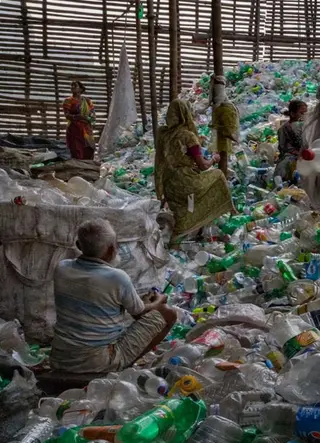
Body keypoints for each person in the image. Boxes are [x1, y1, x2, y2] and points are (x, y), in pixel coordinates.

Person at [51, 219, 177, 373]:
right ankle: (120, 365)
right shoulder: (117, 277)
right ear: (111, 250)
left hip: (60, 358)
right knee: (167, 313)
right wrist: (159, 300)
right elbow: (139, 314)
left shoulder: (62, 268)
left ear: (78, 245)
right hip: (97, 361)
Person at [155, 99, 233, 241]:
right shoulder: (188, 136)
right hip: (187, 182)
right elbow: (203, 166)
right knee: (218, 175)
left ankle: (175, 242)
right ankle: (231, 210)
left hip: (168, 184)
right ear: (186, 113)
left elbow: (176, 152)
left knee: (181, 215)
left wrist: (198, 144)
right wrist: (214, 159)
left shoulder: (163, 134)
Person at [274, 100, 308, 184]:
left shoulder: (307, 127)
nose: (304, 116)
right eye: (301, 113)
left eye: (306, 113)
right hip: (291, 157)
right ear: (292, 114)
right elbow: (283, 148)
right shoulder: (283, 129)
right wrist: (298, 154)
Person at [62, 80, 96, 160]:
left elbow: (92, 113)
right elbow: (67, 115)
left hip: (87, 129)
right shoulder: (68, 101)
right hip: (74, 129)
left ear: (81, 89)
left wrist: (90, 118)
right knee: (76, 149)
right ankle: (78, 165)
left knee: (89, 148)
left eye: (75, 86)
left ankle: (87, 165)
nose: (72, 87)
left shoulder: (87, 101)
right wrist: (79, 117)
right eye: (72, 86)